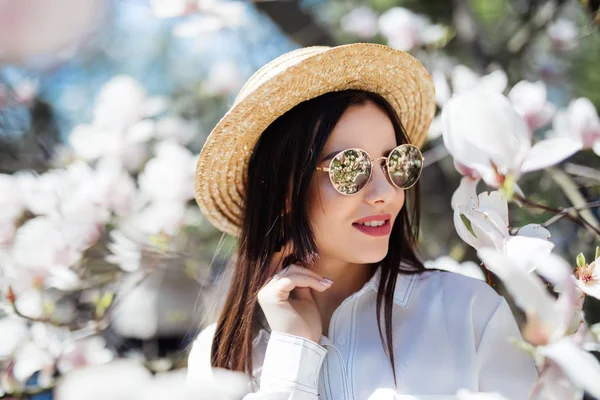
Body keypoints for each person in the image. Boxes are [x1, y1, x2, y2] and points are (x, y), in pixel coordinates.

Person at [184, 43, 539, 400]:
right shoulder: (218, 356)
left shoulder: (470, 313)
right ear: (285, 191)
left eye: (396, 162)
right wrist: (292, 352)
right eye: (350, 167)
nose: (385, 192)